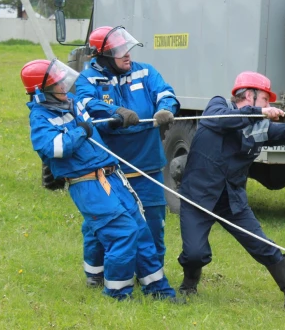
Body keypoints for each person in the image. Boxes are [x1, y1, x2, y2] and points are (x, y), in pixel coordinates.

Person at [177, 71, 285, 312]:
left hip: (232, 201)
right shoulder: (217, 106)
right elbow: (221, 120)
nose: (270, 105)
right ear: (249, 95)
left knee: (262, 245)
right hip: (197, 197)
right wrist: (258, 113)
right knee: (194, 253)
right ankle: (188, 286)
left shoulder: (260, 128)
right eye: (266, 99)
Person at [21, 58, 181, 302]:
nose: (65, 87)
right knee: (123, 233)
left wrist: (115, 116)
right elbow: (53, 148)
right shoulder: (40, 118)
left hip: (111, 173)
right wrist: (79, 132)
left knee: (140, 228)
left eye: (63, 82)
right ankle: (118, 294)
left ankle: (159, 290)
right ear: (42, 92)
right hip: (87, 183)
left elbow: (93, 121)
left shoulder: (71, 103)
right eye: (57, 85)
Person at [74, 26, 179, 280]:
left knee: (154, 226)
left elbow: (165, 92)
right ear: (103, 56)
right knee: (102, 226)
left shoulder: (146, 72)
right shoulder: (87, 79)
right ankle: (96, 276)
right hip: (109, 171)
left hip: (148, 166)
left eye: (127, 49)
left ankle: (152, 281)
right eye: (118, 51)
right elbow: (86, 105)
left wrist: (165, 108)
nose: (127, 55)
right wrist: (117, 113)